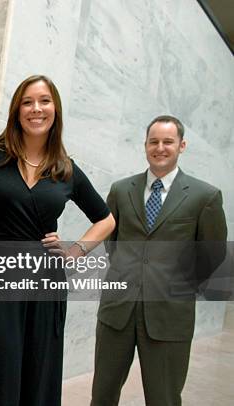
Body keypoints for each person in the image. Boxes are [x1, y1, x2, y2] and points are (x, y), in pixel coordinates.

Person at [0, 74, 115, 406]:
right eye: (28, 102)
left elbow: (106, 220)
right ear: (17, 110)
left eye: (45, 101)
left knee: (36, 371)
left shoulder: (65, 169)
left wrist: (75, 250)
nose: (37, 109)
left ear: (56, 110)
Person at [91, 115, 227, 406]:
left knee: (163, 398)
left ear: (182, 145)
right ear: (145, 145)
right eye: (154, 141)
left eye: (168, 141)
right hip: (117, 311)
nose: (160, 148)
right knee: (102, 395)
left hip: (170, 315)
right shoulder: (120, 190)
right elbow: (111, 243)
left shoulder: (205, 196)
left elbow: (212, 255)